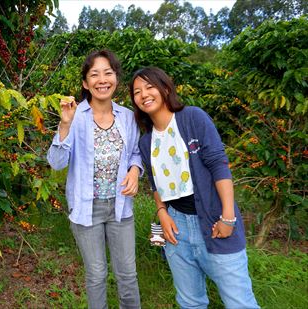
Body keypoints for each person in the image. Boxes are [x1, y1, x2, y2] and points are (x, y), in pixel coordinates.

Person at [130, 66, 259, 309]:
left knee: (240, 303)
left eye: (149, 87)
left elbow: (219, 165)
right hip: (175, 228)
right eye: (137, 92)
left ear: (165, 88)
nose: (143, 94)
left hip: (213, 222)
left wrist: (228, 217)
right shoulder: (146, 141)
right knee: (190, 302)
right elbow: (155, 184)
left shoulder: (193, 118)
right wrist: (162, 214)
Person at [47, 49, 142, 309]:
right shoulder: (75, 117)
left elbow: (136, 153)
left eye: (108, 73)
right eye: (95, 74)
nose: (102, 80)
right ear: (85, 83)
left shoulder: (127, 117)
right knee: (97, 274)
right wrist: (64, 125)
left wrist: (135, 170)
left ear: (116, 79)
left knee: (127, 275)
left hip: (121, 208)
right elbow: (56, 163)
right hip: (87, 209)